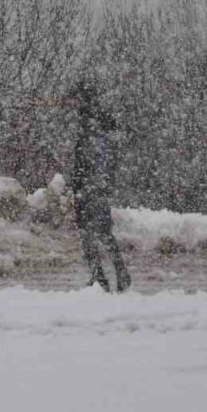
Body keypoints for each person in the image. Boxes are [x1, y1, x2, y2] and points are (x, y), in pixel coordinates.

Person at [69, 78, 131, 293]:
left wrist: (79, 185)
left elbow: (87, 161)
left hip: (90, 187)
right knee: (100, 233)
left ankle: (103, 277)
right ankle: (113, 275)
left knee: (91, 234)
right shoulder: (96, 123)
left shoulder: (91, 126)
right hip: (94, 186)